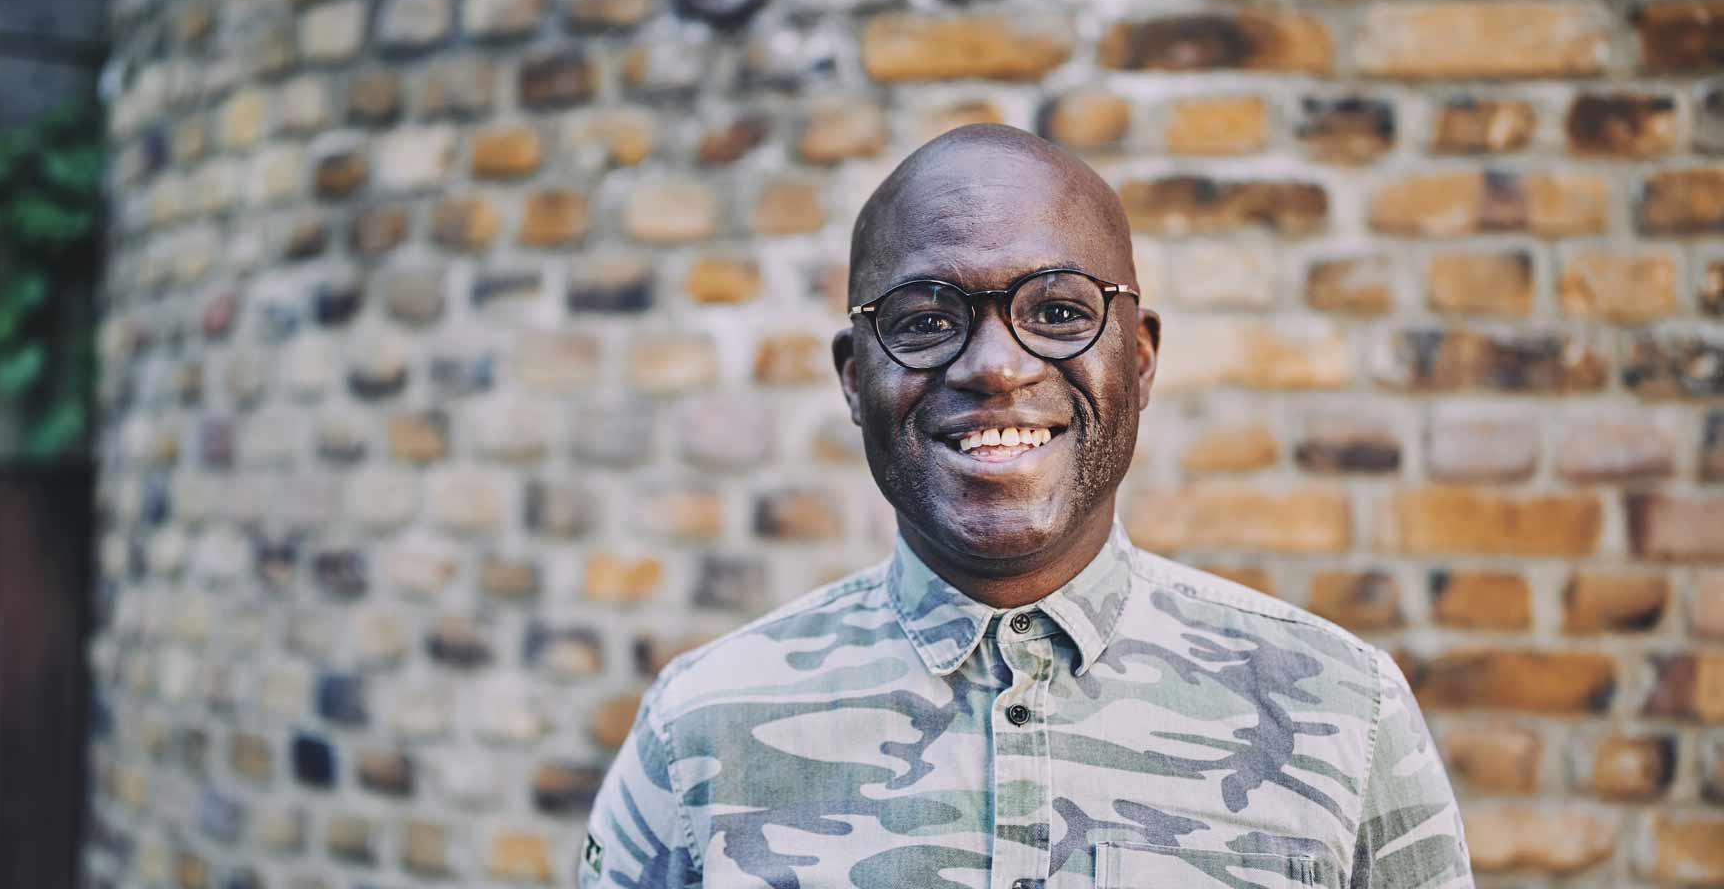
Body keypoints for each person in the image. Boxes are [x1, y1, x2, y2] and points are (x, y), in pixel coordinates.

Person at [578, 124, 1472, 889]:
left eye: (1056, 311)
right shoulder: (703, 727)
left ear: (1143, 360)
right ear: (855, 378)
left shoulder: (1340, 712)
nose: (997, 367)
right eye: (925, 320)